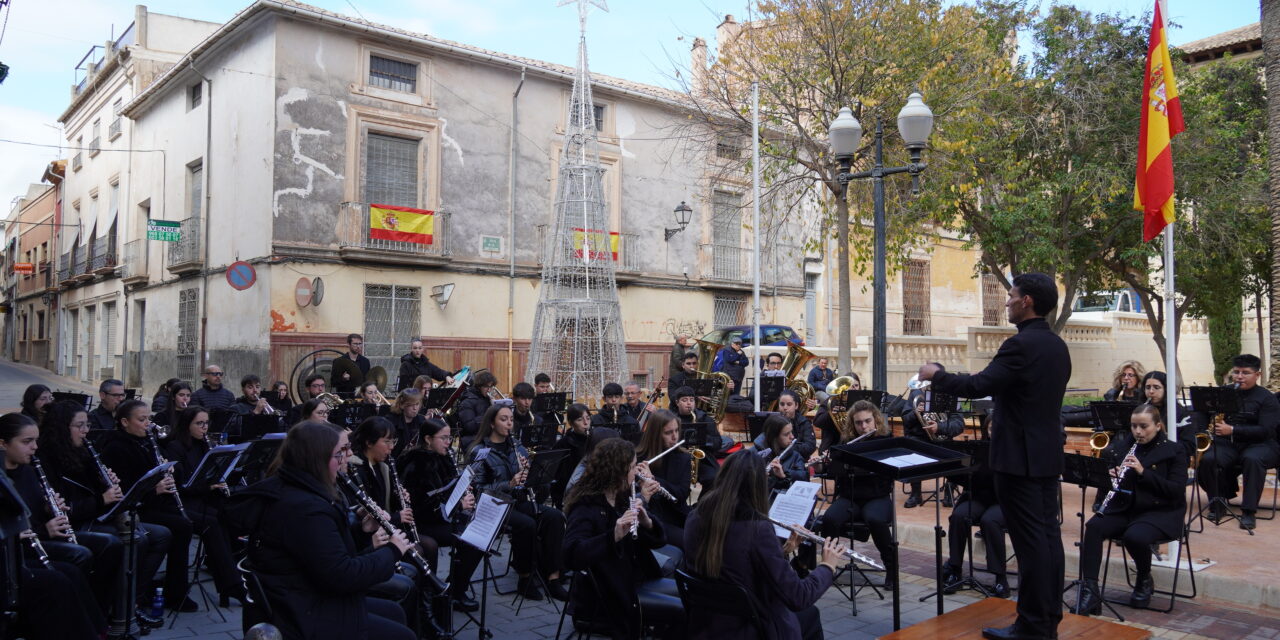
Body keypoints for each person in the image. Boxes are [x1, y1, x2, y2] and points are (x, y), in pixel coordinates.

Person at [918, 272, 1069, 640]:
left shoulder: (1020, 346)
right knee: (1048, 539)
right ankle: (1047, 619)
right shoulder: (1056, 346)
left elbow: (976, 386)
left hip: (1019, 460)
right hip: (1046, 456)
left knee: (1031, 544)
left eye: (1012, 295)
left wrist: (936, 374)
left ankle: (1032, 626)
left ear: (1027, 301)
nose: (1007, 302)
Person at [224, 421, 415, 640]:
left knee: (395, 612)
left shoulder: (297, 489)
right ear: (317, 459)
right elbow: (342, 575)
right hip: (301, 611)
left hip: (305, 592)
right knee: (403, 635)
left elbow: (321, 551)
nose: (347, 457)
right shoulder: (305, 509)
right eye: (339, 453)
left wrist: (362, 532)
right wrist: (392, 551)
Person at [684, 449, 848, 640]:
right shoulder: (757, 530)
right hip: (752, 626)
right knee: (810, 614)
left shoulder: (695, 516)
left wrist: (783, 550)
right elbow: (798, 597)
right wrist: (827, 567)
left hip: (709, 622)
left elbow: (736, 565)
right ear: (757, 487)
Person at [37, 401, 170, 628]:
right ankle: (113, 611)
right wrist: (102, 498)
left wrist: (105, 483)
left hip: (97, 516)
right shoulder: (48, 458)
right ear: (61, 428)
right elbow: (68, 507)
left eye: (87, 425)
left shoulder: (82, 451)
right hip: (79, 523)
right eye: (79, 425)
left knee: (161, 535)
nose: (86, 431)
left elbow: (101, 494)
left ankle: (131, 603)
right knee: (129, 541)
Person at [562, 438, 682, 639]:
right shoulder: (586, 506)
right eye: (633, 467)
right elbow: (571, 555)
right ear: (617, 471)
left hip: (632, 578)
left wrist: (647, 523)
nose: (636, 473)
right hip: (607, 594)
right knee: (680, 611)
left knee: (689, 598)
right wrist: (613, 536)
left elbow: (657, 542)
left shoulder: (622, 496)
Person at [0, 413, 105, 639]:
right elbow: (14, 527)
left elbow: (31, 515)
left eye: (35, 441)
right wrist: (43, 529)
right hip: (10, 555)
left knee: (73, 571)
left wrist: (49, 509)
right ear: (3, 444)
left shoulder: (26, 470)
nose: (34, 448)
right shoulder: (4, 479)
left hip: (28, 545)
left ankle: (99, 631)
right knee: (60, 579)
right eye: (26, 442)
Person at [1075, 404, 1187, 614]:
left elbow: (1176, 491)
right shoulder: (1123, 446)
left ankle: (1144, 578)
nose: (1137, 431)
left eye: (1144, 426)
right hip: (1126, 508)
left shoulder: (1174, 450)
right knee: (1094, 527)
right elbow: (1116, 486)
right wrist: (1112, 477)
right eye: (1134, 426)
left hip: (1160, 511)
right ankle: (1090, 592)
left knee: (1134, 536)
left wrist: (1143, 472)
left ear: (1158, 426)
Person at [98, 399, 196, 613]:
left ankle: (171, 588)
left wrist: (167, 472)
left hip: (152, 504)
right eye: (142, 420)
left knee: (187, 522)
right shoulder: (116, 447)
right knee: (179, 527)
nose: (148, 424)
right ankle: (154, 593)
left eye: (149, 419)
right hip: (135, 510)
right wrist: (156, 489)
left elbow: (158, 472)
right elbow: (125, 490)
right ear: (124, 422)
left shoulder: (145, 441)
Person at [467, 404, 568, 601]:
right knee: (526, 525)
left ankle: (553, 577)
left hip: (518, 501)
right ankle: (525, 578)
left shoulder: (516, 445)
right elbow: (479, 491)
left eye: (511, 419)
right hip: (495, 506)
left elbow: (529, 482)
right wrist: (509, 483)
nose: (509, 423)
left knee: (555, 517)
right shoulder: (480, 451)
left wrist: (531, 473)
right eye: (503, 419)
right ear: (492, 423)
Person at [396, 418, 482, 612]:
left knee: (479, 535)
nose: (448, 442)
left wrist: (463, 490)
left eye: (449, 437)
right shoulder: (416, 464)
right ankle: (453, 592)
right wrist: (459, 506)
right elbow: (422, 507)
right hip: (422, 523)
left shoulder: (442, 456)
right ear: (427, 439)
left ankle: (454, 588)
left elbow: (447, 489)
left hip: (440, 518)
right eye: (443, 438)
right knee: (471, 540)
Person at [162, 405, 243, 606]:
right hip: (182, 503)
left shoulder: (204, 445)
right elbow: (181, 487)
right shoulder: (175, 447)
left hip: (202, 499)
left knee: (229, 515)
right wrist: (208, 485)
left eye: (206, 423)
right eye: (199, 423)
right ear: (186, 425)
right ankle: (231, 585)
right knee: (211, 523)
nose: (204, 428)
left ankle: (231, 579)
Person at [815, 401, 897, 587]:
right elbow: (834, 472)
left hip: (877, 497)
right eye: (858, 423)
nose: (863, 426)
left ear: (876, 420)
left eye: (867, 421)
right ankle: (828, 567)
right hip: (850, 497)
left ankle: (892, 569)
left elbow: (889, 475)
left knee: (875, 519)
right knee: (830, 519)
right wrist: (823, 464)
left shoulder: (886, 440)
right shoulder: (846, 443)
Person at [1195, 353, 1280, 531]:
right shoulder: (1223, 393)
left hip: (1261, 444)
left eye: (1245, 373)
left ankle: (1249, 511)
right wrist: (1203, 429)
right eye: (1236, 372)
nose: (1239, 377)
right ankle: (1217, 504)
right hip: (1228, 443)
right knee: (1210, 459)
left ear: (1257, 375)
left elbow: (1267, 430)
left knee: (1253, 459)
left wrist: (1233, 429)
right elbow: (1202, 412)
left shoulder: (1267, 399)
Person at [939, 453, 1009, 598]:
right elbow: (962, 472)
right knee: (959, 516)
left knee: (990, 521)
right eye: (990, 428)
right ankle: (955, 570)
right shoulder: (978, 449)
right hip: (979, 495)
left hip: (1004, 499)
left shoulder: (1010, 447)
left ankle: (1000, 578)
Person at [634, 410, 695, 549]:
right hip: (651, 517)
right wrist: (636, 479)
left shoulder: (683, 457)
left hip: (676, 514)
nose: (675, 437)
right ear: (655, 435)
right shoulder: (639, 457)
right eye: (668, 433)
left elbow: (681, 494)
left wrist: (654, 479)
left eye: (676, 431)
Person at [901, 392, 964, 508]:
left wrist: (939, 427)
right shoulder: (916, 394)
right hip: (920, 438)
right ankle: (916, 493)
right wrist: (916, 413)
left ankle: (949, 491)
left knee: (958, 454)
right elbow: (905, 420)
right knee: (912, 447)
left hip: (943, 438)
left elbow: (959, 425)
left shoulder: (951, 396)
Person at [671, 386, 724, 487]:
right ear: (677, 403)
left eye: (691, 400)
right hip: (678, 459)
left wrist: (702, 437)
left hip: (702, 460)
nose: (689, 403)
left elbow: (718, 443)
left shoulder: (704, 418)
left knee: (714, 478)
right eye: (684, 400)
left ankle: (703, 502)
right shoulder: (671, 419)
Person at [1142, 371, 1193, 459]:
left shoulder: (1180, 412)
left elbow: (1189, 445)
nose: (1151, 391)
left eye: (1156, 387)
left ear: (1166, 389)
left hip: (1171, 457)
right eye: (1147, 387)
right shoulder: (1142, 410)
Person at [756, 413, 808, 494]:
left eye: (791, 432)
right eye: (786, 434)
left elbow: (804, 481)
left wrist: (784, 474)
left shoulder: (795, 456)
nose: (792, 437)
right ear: (774, 437)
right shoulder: (755, 454)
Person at [812, 373, 862, 455]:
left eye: (856, 385)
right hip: (831, 446)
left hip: (855, 446)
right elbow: (817, 421)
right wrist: (831, 414)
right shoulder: (832, 401)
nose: (854, 389)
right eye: (851, 386)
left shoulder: (862, 403)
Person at [454, 370, 496, 450]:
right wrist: (489, 412)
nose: (489, 390)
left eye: (491, 387)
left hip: (487, 438)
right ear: (479, 386)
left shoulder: (487, 400)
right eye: (486, 386)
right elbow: (470, 427)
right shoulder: (467, 402)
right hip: (472, 440)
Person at [776, 389, 817, 458]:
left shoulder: (804, 422)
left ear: (796, 406)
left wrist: (786, 446)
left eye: (789, 404)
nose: (785, 408)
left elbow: (810, 447)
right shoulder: (774, 421)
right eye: (782, 404)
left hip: (800, 460)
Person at [387, 389, 425, 457]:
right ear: (402, 405)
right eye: (411, 405)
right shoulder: (391, 422)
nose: (415, 408)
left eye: (417, 404)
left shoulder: (421, 420)